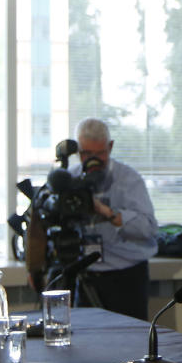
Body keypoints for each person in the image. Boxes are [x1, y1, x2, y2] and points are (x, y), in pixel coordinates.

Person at [68, 117, 158, 320]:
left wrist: (109, 214)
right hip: (85, 276)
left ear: (110, 147)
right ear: (78, 152)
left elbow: (149, 229)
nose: (93, 160)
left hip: (125, 277)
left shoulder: (128, 179)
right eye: (86, 154)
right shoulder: (69, 178)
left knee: (129, 346)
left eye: (100, 153)